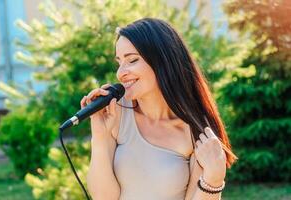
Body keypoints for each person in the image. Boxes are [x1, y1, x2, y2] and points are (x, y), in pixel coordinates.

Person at [82, 18, 237, 200]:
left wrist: (214, 179)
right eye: (119, 62)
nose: (121, 72)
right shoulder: (115, 114)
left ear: (162, 61)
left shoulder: (196, 131)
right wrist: (99, 138)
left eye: (132, 60)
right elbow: (103, 198)